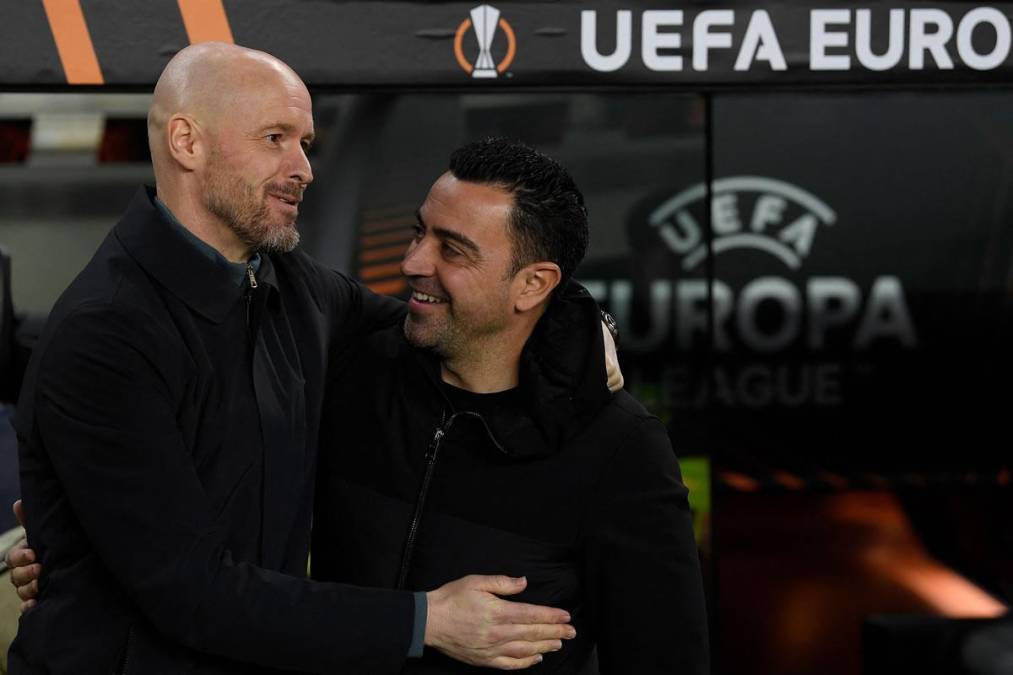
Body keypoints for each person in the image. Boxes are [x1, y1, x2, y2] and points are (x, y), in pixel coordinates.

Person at [6, 44, 582, 674]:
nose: (304, 167)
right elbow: (193, 594)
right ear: (186, 143)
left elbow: (443, 320)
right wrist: (428, 621)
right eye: (275, 138)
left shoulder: (290, 283)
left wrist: (575, 323)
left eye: (305, 142)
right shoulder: (105, 335)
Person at [311, 138, 710, 673]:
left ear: (534, 284)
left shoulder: (617, 448)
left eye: (452, 250)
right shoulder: (355, 368)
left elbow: (665, 659)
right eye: (419, 231)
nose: (411, 262)